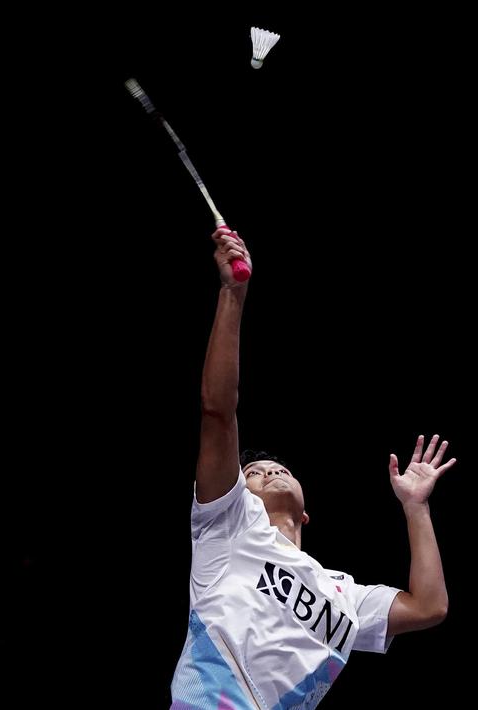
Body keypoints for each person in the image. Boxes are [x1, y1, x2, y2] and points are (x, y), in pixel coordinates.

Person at [169, 228, 456, 709]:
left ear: (306, 514)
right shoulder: (228, 526)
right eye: (254, 472)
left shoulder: (342, 594)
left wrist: (415, 508)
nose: (269, 472)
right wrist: (233, 293)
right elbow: (218, 410)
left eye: (276, 468)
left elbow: (429, 606)